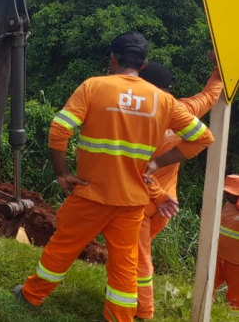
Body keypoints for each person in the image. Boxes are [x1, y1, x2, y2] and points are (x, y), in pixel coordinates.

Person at [13, 31, 214, 322]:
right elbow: (203, 138)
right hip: (132, 203)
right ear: (143, 64)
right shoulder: (164, 101)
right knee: (125, 265)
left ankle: (31, 295)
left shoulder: (94, 86)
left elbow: (60, 128)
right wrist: (158, 162)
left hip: (91, 195)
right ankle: (120, 317)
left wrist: (62, 173)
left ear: (112, 59)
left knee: (63, 248)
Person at [134, 55, 222, 319]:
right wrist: (219, 67)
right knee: (136, 253)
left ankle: (143, 310)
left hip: (142, 202)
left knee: (138, 257)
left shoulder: (136, 120)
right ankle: (128, 293)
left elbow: (137, 172)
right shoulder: (183, 111)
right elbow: (210, 94)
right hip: (165, 206)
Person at [216, 175, 239, 310]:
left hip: (236, 263)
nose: (227, 195)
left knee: (235, 297)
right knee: (207, 287)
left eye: (230, 193)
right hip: (219, 257)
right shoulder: (227, 206)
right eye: (226, 192)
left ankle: (232, 316)